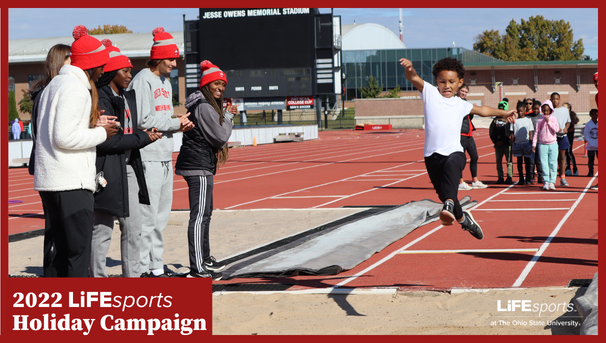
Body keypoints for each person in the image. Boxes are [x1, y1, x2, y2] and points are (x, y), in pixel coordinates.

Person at [34, 25, 119, 277]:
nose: (103, 71)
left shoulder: (56, 84)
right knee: (78, 252)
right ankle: (77, 311)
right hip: (70, 181)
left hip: (52, 180)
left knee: (57, 251)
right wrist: (102, 133)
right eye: (101, 65)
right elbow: (64, 137)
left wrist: (92, 124)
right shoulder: (75, 87)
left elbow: (56, 130)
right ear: (91, 64)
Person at [399, 56, 516, 240]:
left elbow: (483, 110)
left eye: (452, 82)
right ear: (436, 81)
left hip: (454, 153)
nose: (447, 85)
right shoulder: (429, 93)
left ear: (460, 83)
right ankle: (463, 219)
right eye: (442, 81)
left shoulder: (461, 104)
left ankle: (447, 206)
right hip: (432, 157)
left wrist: (504, 113)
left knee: (451, 176)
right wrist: (409, 68)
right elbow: (413, 77)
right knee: (447, 194)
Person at [90, 40, 162, 278]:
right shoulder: (100, 97)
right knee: (102, 229)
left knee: (133, 227)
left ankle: (132, 277)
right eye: (125, 70)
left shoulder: (127, 95)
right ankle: (97, 279)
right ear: (111, 71)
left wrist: (141, 137)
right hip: (108, 169)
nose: (130, 75)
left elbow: (127, 133)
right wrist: (143, 138)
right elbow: (109, 140)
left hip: (130, 167)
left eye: (130, 70)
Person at [127, 27, 194, 277]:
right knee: (148, 216)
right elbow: (143, 118)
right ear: (158, 58)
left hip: (165, 154)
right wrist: (175, 123)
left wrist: (177, 123)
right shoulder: (143, 79)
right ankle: (144, 268)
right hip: (148, 156)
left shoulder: (165, 81)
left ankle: (156, 267)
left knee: (161, 217)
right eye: (170, 59)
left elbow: (160, 117)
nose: (174, 63)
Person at [175, 60, 239, 279]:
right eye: (216, 84)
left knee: (205, 214)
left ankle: (205, 259)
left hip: (201, 164)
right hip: (198, 166)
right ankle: (197, 267)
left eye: (223, 85)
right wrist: (229, 117)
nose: (220, 88)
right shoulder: (203, 106)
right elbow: (220, 136)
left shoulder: (204, 104)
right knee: (199, 215)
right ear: (206, 85)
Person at [26, 43, 72, 275]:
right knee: (55, 226)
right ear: (59, 61)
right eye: (69, 58)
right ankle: (52, 271)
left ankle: (54, 270)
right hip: (50, 166)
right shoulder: (48, 93)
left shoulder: (46, 90)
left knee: (57, 225)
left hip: (48, 165)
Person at [457, 84, 487, 190]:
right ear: (458, 91)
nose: (464, 93)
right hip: (461, 134)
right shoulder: (455, 102)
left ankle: (475, 180)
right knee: (461, 159)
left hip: (469, 133)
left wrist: (473, 110)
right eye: (462, 91)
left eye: (465, 92)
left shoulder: (465, 102)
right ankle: (460, 182)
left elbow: (469, 117)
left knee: (475, 157)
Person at [532, 100, 560, 191]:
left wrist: (549, 122)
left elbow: (556, 129)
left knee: (553, 163)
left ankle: (552, 181)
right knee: (544, 163)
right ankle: (546, 181)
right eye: (544, 110)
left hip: (553, 144)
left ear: (551, 110)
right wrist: (534, 144)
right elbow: (536, 133)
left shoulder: (554, 119)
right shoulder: (540, 120)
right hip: (542, 144)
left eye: (547, 110)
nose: (546, 112)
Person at [489, 101, 514, 185]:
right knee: (498, 162)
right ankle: (500, 177)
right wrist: (496, 141)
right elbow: (491, 131)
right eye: (499, 109)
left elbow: (510, 132)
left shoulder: (508, 120)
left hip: (507, 144)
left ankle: (509, 177)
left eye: (502, 109)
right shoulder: (494, 121)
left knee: (509, 161)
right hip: (497, 145)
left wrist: (504, 140)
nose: (501, 111)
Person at [549, 92, 571, 187]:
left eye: (557, 99)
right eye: (553, 99)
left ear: (560, 100)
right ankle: (551, 179)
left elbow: (568, 122)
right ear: (551, 100)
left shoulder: (564, 110)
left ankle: (562, 178)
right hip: (552, 136)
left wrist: (566, 128)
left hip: (562, 136)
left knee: (562, 157)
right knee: (552, 158)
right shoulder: (549, 110)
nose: (555, 101)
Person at [510, 101, 534, 185]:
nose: (520, 113)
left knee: (527, 162)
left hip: (526, 143)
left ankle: (528, 178)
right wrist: (512, 143)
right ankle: (521, 178)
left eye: (521, 111)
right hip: (517, 144)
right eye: (518, 111)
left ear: (524, 110)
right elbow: (512, 133)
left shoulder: (528, 120)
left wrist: (531, 142)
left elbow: (531, 132)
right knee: (519, 162)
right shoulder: (515, 121)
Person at [527, 100, 544, 183]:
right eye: (534, 109)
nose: (536, 110)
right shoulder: (528, 117)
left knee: (539, 160)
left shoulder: (542, 117)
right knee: (531, 160)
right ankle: (531, 175)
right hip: (531, 142)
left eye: (537, 109)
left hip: (540, 141)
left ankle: (540, 175)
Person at [562, 102, 579, 176]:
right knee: (564, 153)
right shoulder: (562, 116)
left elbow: (572, 128)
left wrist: (566, 131)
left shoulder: (570, 116)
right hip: (563, 136)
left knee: (569, 152)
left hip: (569, 137)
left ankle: (575, 168)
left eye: (564, 107)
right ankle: (568, 168)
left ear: (568, 109)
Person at [584, 109, 598, 190]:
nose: (595, 116)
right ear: (590, 115)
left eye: (596, 115)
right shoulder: (588, 124)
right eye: (593, 115)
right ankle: (590, 172)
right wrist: (591, 142)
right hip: (591, 145)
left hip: (599, 145)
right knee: (591, 159)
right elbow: (586, 134)